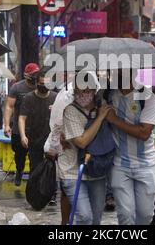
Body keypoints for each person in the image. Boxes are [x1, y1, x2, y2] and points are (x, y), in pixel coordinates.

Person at [105, 69, 155, 225]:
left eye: (120, 72)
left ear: (132, 73)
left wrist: (115, 120)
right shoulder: (107, 95)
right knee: (125, 215)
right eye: (113, 71)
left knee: (146, 215)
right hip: (120, 164)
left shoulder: (147, 97)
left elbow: (144, 133)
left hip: (146, 165)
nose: (115, 75)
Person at [57, 73, 111, 225]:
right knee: (85, 217)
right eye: (78, 92)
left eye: (86, 91)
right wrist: (99, 118)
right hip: (73, 172)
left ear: (94, 91)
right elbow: (82, 142)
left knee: (96, 219)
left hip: (97, 171)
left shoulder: (103, 107)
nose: (82, 95)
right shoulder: (70, 111)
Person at [4, 63, 39, 186]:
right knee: (20, 155)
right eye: (33, 74)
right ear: (27, 75)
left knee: (36, 156)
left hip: (36, 129)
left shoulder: (40, 87)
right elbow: (9, 107)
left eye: (37, 74)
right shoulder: (17, 88)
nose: (36, 77)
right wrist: (7, 125)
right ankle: (19, 170)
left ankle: (34, 179)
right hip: (19, 130)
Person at [18, 72, 57, 176]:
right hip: (34, 139)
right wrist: (23, 136)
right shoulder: (29, 98)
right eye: (41, 83)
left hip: (51, 139)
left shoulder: (55, 97)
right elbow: (22, 118)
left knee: (51, 169)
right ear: (36, 83)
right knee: (35, 169)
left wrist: (56, 111)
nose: (44, 86)